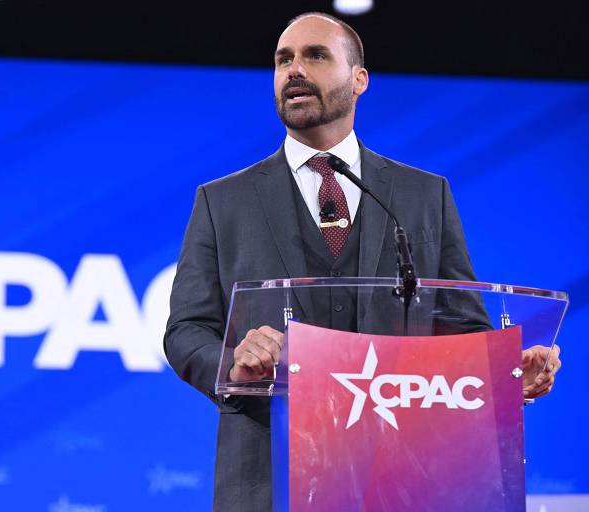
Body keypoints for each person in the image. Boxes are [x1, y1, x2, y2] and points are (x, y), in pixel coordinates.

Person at [163, 12, 562, 511]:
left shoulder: (422, 196)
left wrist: (501, 377)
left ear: (359, 79)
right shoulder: (222, 202)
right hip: (270, 478)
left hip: (400, 476)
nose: (294, 70)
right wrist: (233, 364)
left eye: (315, 55)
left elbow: (461, 327)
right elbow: (185, 330)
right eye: (283, 59)